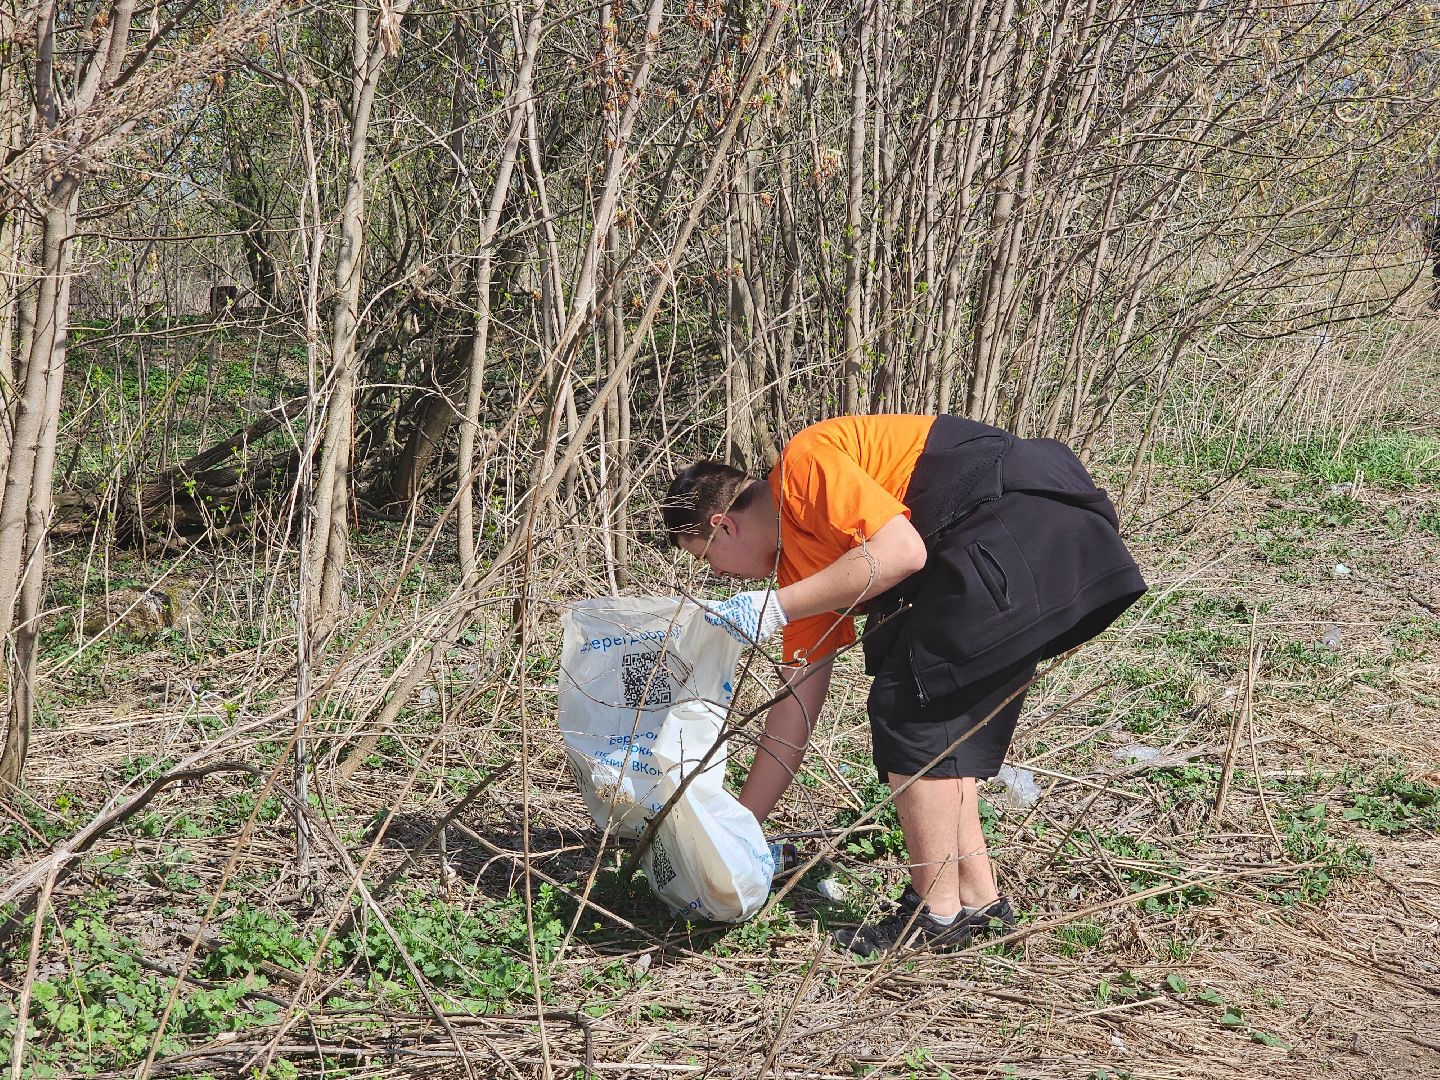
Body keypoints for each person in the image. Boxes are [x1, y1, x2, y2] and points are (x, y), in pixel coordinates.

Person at [660, 414, 1147, 957]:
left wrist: (768, 608)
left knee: (910, 710)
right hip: (1026, 544)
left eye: (705, 557)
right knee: (941, 722)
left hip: (1019, 520)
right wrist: (739, 827)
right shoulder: (802, 573)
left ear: (725, 525)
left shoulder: (804, 463)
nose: (719, 577)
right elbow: (797, 702)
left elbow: (902, 552)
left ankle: (932, 916)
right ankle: (979, 904)